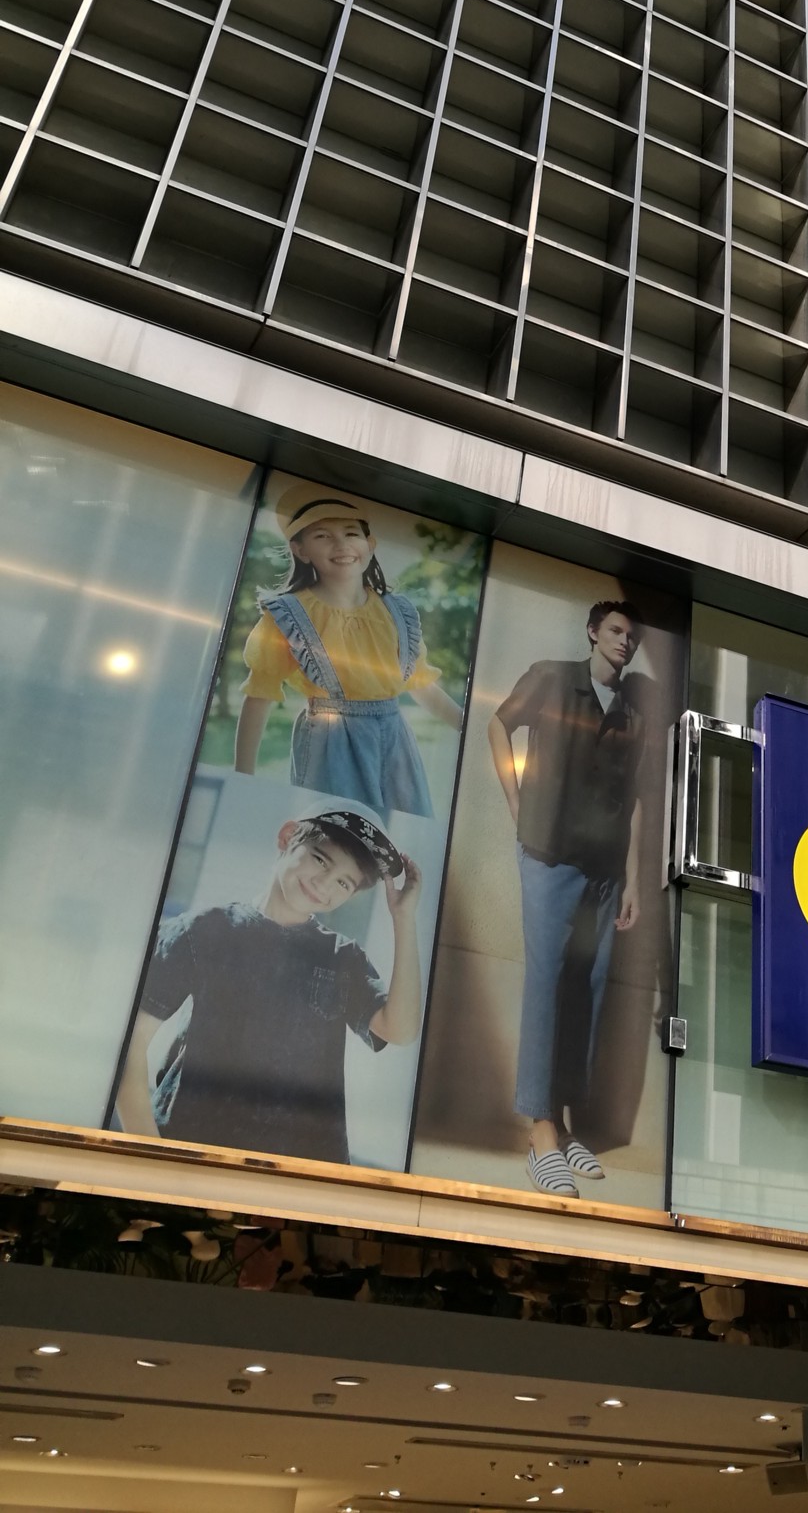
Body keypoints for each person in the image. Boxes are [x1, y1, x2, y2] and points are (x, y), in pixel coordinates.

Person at [114, 809, 424, 1166]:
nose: (324, 885)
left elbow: (400, 1030)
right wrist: (153, 1161)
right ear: (287, 837)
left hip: (300, 1172)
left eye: (344, 883)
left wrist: (404, 918)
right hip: (195, 1151)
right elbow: (131, 1048)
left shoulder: (343, 958)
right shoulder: (203, 930)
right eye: (321, 860)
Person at [489, 599, 652, 1199]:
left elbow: (632, 801)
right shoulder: (552, 676)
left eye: (631, 636)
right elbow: (497, 724)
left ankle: (565, 1125)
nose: (624, 642)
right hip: (549, 855)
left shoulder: (633, 711)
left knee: (589, 987)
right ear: (593, 632)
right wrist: (515, 801)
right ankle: (540, 1138)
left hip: (606, 870)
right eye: (615, 630)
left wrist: (634, 881)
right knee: (548, 980)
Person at [234, 481, 462, 820]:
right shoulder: (289, 616)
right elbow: (259, 695)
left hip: (396, 738)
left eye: (351, 533)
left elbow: (421, 685)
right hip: (331, 740)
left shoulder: (398, 612)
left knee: (404, 833)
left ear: (370, 544)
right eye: (323, 536)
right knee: (336, 831)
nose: (341, 544)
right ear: (300, 549)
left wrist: (469, 730)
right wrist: (243, 776)